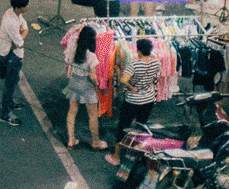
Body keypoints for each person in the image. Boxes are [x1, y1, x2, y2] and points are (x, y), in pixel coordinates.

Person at [107, 35, 160, 161]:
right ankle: (136, 153)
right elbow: (155, 78)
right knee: (141, 127)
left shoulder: (134, 64)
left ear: (139, 51)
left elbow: (123, 79)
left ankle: (116, 156)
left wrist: (130, 88)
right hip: (148, 100)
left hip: (133, 101)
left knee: (123, 127)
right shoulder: (156, 62)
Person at [64, 23, 105, 151]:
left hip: (74, 83)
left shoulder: (73, 50)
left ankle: (71, 140)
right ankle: (96, 142)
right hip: (86, 86)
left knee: (72, 112)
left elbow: (67, 61)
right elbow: (93, 76)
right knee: (92, 115)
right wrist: (97, 85)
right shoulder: (91, 56)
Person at [0, 0, 30, 127]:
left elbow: (25, 28)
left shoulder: (12, 13)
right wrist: (21, 36)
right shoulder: (11, 22)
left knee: (12, 82)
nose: (27, 8)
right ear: (19, 7)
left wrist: (21, 36)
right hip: (12, 55)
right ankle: (5, 114)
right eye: (25, 6)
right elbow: (20, 42)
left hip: (9, 51)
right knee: (10, 84)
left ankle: (9, 103)